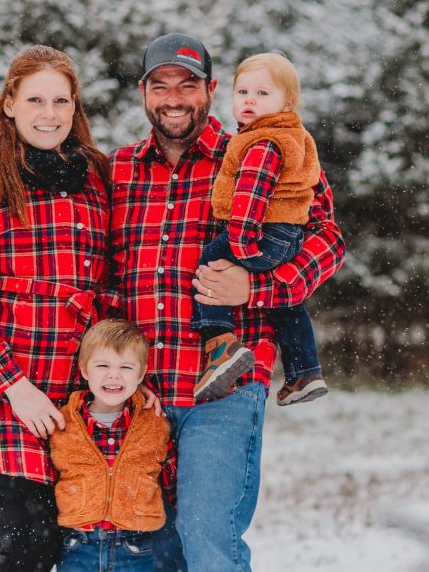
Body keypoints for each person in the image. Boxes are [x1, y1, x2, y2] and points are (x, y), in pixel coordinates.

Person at [108, 33, 345, 572]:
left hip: (224, 389)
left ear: (211, 91)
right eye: (160, 85)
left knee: (208, 539)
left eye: (187, 85)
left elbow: (328, 239)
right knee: (152, 549)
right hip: (138, 395)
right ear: (143, 93)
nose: (173, 98)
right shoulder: (117, 171)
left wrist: (258, 289)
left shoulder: (260, 150)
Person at [0, 45, 115, 572]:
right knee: (31, 547)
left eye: (61, 100)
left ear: (75, 107)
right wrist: (15, 386)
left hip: (71, 392)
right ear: (9, 103)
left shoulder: (95, 183)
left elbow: (107, 287)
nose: (49, 113)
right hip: (4, 389)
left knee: (63, 546)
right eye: (35, 98)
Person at [191, 52, 328, 406]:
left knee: (211, 259)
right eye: (243, 92)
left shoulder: (262, 143)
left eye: (262, 94)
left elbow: (251, 197)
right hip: (287, 234)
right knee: (286, 304)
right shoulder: (295, 137)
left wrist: (243, 245)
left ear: (288, 101)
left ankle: (220, 344)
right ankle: (305, 371)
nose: (249, 100)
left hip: (261, 233)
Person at [50, 319, 171, 572]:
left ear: (140, 374)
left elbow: (169, 475)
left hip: (135, 545)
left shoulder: (154, 423)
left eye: (126, 367)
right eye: (102, 365)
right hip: (77, 544)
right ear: (84, 369)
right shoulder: (64, 421)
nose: (113, 374)